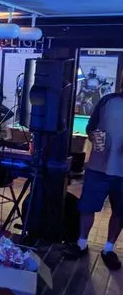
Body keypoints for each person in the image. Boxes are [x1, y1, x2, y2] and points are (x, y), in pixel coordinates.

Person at [64, 90, 123, 270]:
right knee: (87, 207)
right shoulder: (107, 100)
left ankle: (109, 249)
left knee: (120, 212)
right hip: (98, 167)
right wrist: (94, 136)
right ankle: (81, 243)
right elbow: (90, 128)